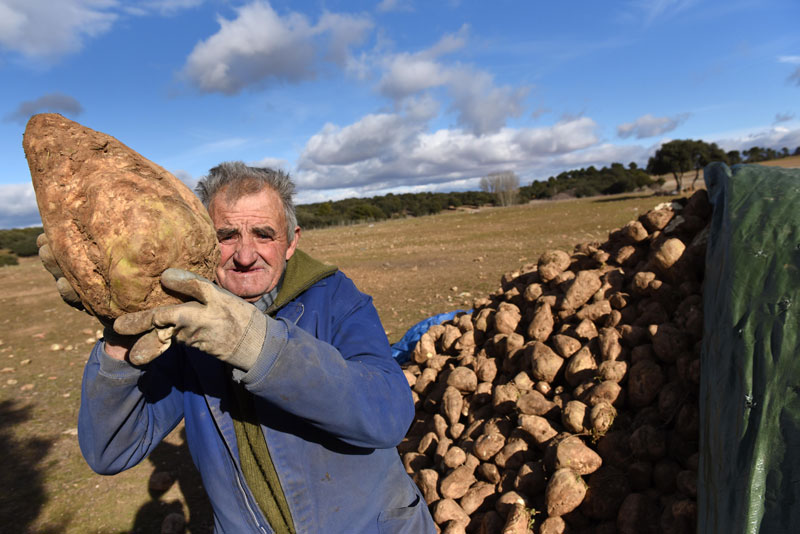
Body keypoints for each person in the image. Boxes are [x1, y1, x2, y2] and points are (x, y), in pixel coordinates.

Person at [39, 162, 435, 533]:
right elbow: (110, 451)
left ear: (291, 242)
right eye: (226, 236)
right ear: (202, 242)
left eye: (264, 234)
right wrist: (120, 338)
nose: (245, 256)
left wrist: (256, 347)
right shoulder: (185, 324)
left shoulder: (335, 298)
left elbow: (389, 417)